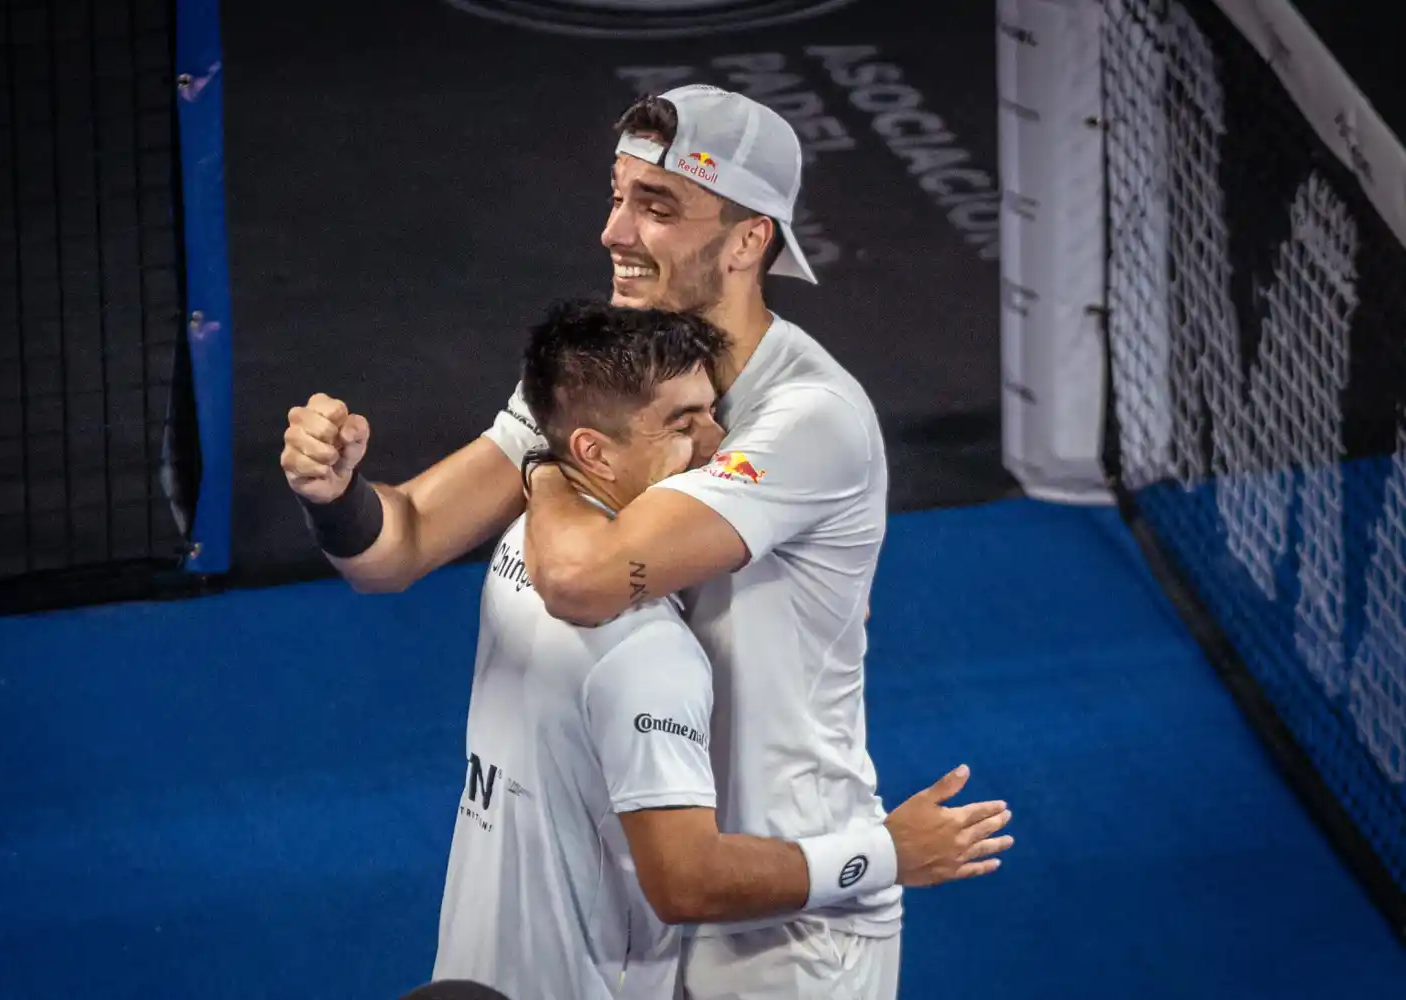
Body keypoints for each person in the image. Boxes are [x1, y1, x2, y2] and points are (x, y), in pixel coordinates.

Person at [280, 86, 1013, 999]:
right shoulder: (617, 378)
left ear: (751, 240)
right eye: (618, 195)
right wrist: (335, 493)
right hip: (650, 891)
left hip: (790, 913)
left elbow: (581, 578)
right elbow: (396, 548)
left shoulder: (809, 416)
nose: (615, 232)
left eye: (657, 207)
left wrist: (547, 459)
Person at [422, 300, 1011, 999]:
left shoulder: (519, 551)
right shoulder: (648, 657)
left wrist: (544, 472)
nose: (717, 440)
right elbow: (685, 881)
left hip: (471, 971)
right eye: (683, 424)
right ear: (593, 450)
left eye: (711, 412)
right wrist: (887, 852)